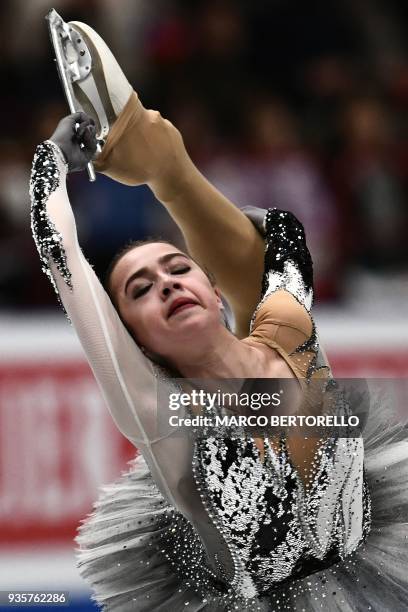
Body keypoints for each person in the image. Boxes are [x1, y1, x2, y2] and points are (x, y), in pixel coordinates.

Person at [29, 19, 408, 612]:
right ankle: (150, 150)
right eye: (141, 290)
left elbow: (283, 236)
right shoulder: (160, 411)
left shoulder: (289, 337)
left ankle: (151, 148)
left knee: (260, 259)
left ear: (208, 286)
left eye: (178, 269)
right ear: (139, 339)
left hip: (377, 591)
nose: (167, 285)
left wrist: (210, 196)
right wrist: (52, 160)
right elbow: (65, 264)